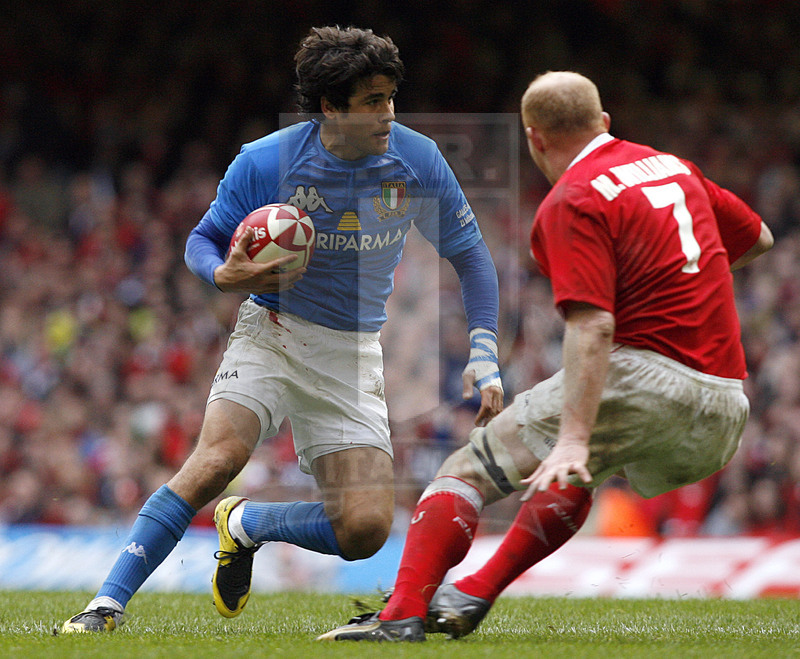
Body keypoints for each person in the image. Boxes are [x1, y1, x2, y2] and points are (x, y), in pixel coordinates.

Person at [60, 25, 503, 633]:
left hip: (351, 353)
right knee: (215, 460)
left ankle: (245, 525)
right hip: (272, 330)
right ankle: (103, 607)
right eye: (373, 101)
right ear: (330, 106)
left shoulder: (417, 160)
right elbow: (203, 239)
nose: (388, 115)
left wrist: (485, 350)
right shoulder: (267, 161)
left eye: (391, 98)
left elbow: (472, 257)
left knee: (366, 530)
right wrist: (223, 274)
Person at [318, 70, 773, 642]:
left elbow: (594, 324)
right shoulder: (675, 168)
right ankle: (473, 593)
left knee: (466, 471)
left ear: (534, 138)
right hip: (727, 400)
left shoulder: (572, 199)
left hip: (647, 376)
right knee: (577, 475)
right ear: (603, 122)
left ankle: (402, 614)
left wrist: (573, 435)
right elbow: (757, 241)